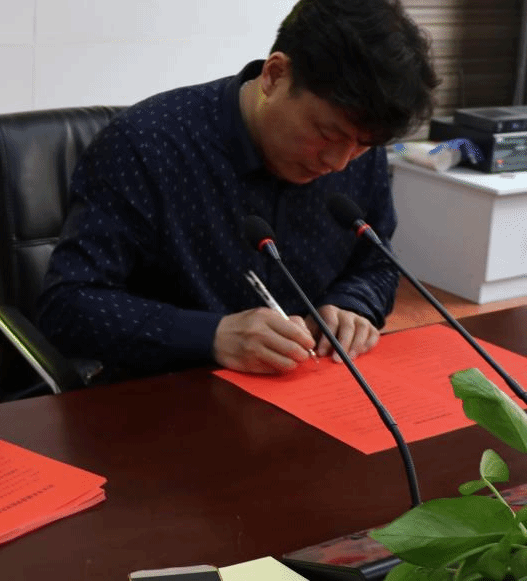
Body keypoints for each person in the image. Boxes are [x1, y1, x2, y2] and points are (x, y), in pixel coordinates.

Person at [37, 0, 438, 378]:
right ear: (274, 75)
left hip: (309, 387)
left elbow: (377, 263)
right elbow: (68, 304)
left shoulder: (357, 150)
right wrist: (211, 335)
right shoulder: (146, 146)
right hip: (171, 393)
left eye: (362, 146)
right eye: (326, 133)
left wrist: (353, 306)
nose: (338, 162)